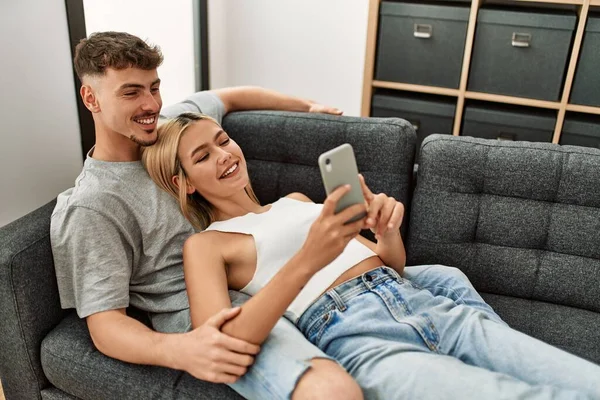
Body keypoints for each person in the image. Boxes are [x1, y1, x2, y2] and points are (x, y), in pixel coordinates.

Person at [50, 31, 502, 400]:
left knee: (443, 277)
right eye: (131, 93)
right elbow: (106, 324)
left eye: (154, 87)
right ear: (91, 98)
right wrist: (182, 351)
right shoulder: (94, 205)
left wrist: (306, 107)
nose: (149, 104)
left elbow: (229, 97)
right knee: (332, 391)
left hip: (270, 269)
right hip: (218, 310)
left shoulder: (176, 125)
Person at [141, 111, 600, 400]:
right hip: (357, 335)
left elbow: (388, 265)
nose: (224, 154)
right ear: (184, 183)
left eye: (222, 140)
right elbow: (221, 343)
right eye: (202, 156)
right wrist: (308, 259)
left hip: (429, 308)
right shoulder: (206, 245)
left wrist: (387, 232)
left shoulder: (298, 202)